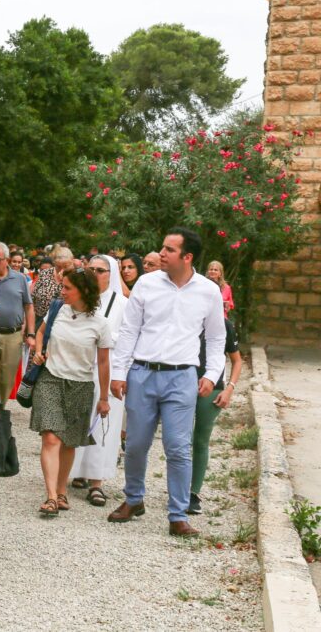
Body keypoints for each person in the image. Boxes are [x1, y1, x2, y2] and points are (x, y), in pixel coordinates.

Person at [108, 227, 226, 537]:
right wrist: (119, 372)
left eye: (169, 250)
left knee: (178, 448)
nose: (161, 253)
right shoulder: (146, 284)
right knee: (135, 444)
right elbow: (129, 330)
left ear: (187, 257)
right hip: (143, 373)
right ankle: (133, 499)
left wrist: (212, 374)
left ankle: (178, 514)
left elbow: (217, 337)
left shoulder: (208, 291)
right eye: (162, 247)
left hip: (182, 376)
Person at [29, 269, 112, 517]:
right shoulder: (57, 310)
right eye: (62, 286)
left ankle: (61, 490)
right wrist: (38, 351)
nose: (62, 291)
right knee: (50, 438)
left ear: (84, 291)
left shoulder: (100, 323)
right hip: (50, 379)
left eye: (67, 288)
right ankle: (51, 497)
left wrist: (104, 398)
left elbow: (104, 363)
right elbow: (41, 332)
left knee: (68, 441)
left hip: (80, 385)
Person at [70, 254, 128, 506]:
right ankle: (77, 471)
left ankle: (97, 482)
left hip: (109, 369)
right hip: (79, 367)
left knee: (105, 424)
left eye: (100, 270)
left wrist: (104, 338)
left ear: (111, 274)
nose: (94, 273)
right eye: (90, 269)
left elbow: (128, 338)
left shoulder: (122, 304)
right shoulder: (79, 299)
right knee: (78, 420)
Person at [189, 317, 242, 515]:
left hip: (213, 387)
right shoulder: (187, 314)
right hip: (182, 383)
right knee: (179, 440)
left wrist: (229, 389)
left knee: (201, 440)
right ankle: (178, 489)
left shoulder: (224, 324)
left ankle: (193, 493)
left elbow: (237, 360)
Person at [0, 242, 36, 403]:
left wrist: (30, 334)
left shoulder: (20, 279)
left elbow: (28, 307)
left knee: (7, 380)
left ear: (6, 260)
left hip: (14, 336)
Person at [31, 249, 73, 328]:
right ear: (54, 263)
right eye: (59, 266)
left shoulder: (75, 276)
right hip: (40, 320)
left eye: (65, 266)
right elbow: (32, 298)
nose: (62, 270)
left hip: (63, 323)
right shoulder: (45, 273)